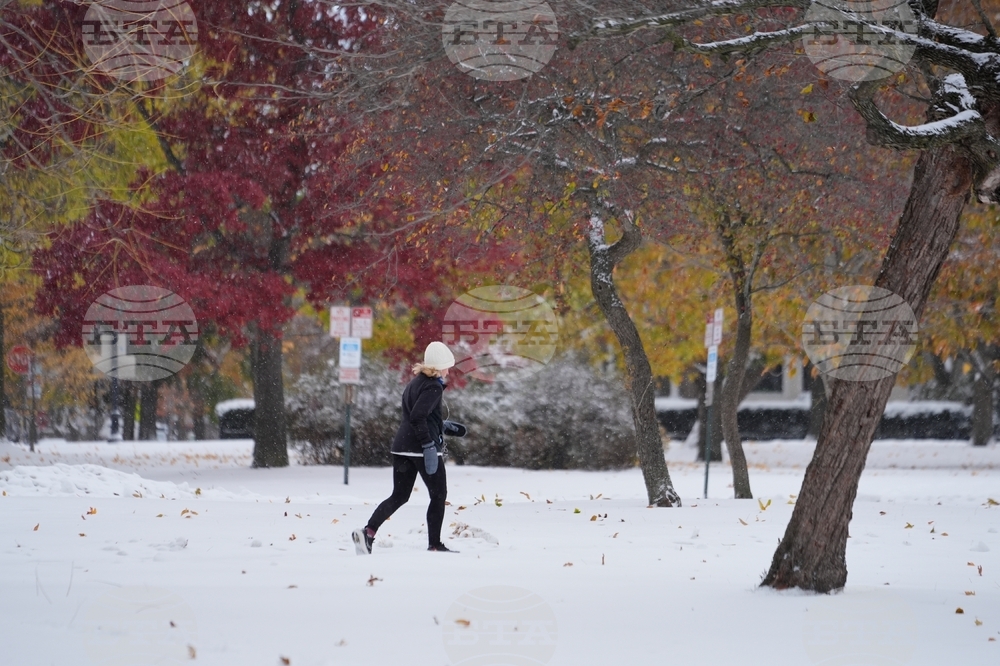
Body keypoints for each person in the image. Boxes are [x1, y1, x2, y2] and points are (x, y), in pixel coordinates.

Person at [353, 341, 461, 554]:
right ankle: (435, 544)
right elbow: (418, 416)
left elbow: (416, 415)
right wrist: (428, 444)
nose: (449, 370)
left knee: (400, 495)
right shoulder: (433, 386)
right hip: (421, 448)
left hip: (402, 447)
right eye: (447, 366)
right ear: (438, 366)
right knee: (438, 494)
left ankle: (368, 532)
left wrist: (441, 426)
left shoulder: (415, 383)